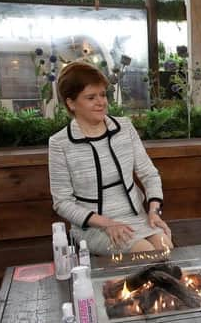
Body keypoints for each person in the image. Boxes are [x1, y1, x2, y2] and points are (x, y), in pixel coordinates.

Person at [49, 61, 174, 255]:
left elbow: (149, 174)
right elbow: (62, 202)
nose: (101, 102)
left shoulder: (124, 128)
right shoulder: (60, 143)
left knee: (165, 249)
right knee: (147, 254)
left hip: (137, 218)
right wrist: (107, 224)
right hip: (93, 227)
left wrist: (154, 211)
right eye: (91, 97)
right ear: (71, 103)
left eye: (102, 94)